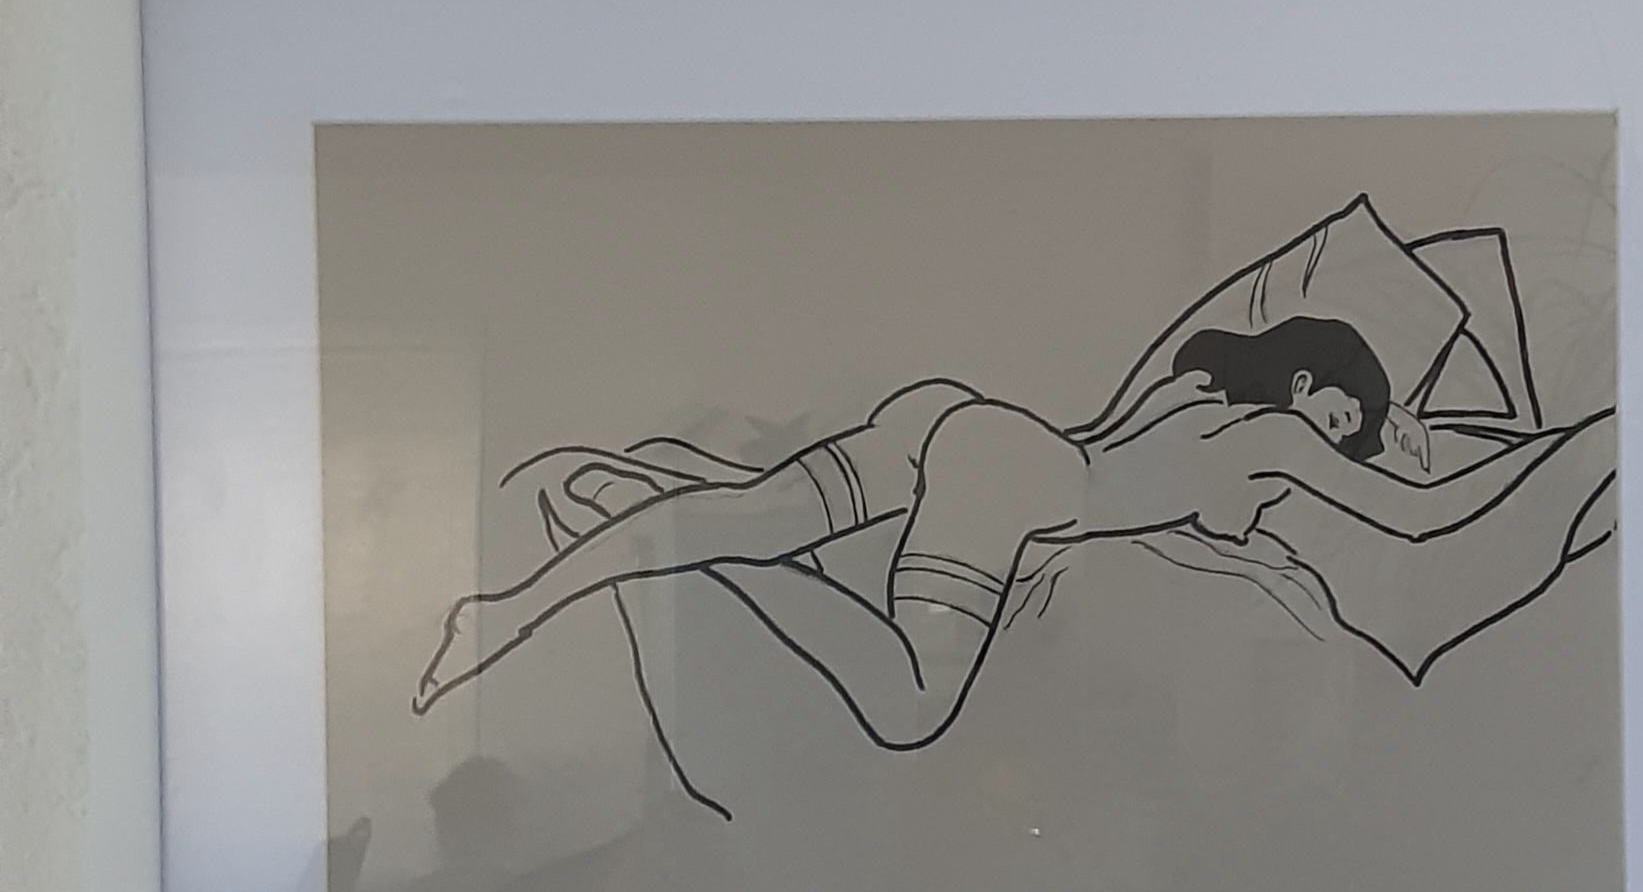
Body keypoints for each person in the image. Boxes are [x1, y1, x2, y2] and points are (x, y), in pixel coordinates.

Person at [412, 315, 1395, 752]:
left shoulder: (1197, 391)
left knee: (748, 514)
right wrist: (1415, 456)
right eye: (1345, 420)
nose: (1339, 443)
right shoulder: (1272, 438)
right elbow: (1422, 516)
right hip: (1018, 479)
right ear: (1307, 384)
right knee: (911, 712)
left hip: (965, 425)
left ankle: (507, 607)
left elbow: (1147, 512)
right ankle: (695, 568)